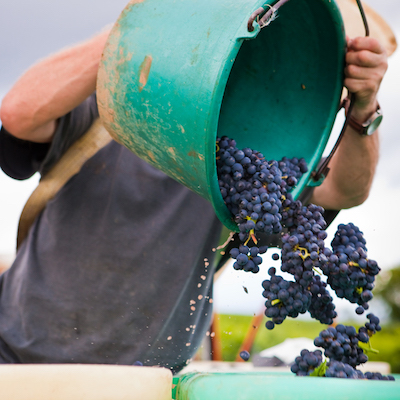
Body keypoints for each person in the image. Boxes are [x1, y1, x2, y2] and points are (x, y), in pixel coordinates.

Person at [0, 21, 388, 372]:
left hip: (148, 382)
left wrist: (364, 106)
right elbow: (19, 114)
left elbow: (344, 189)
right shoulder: (107, 107)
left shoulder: (242, 165)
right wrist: (141, 26)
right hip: (20, 362)